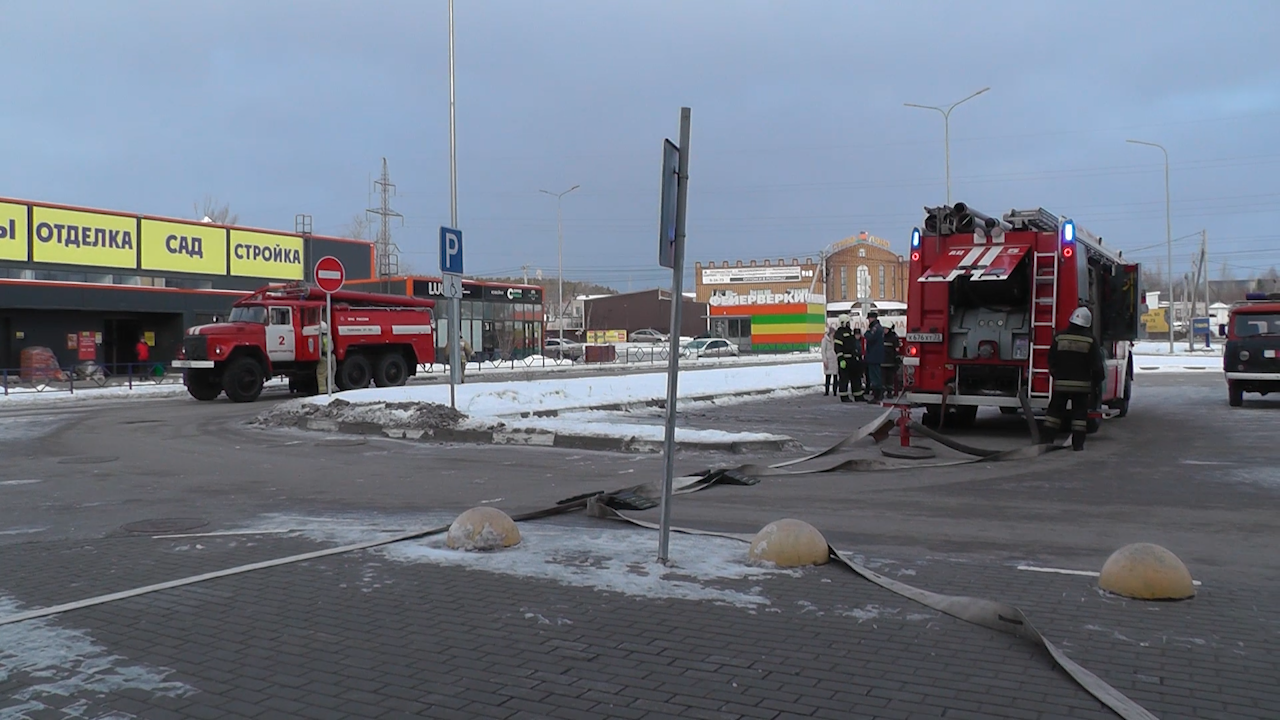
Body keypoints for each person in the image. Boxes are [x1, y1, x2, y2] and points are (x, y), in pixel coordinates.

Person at [1044, 307, 1106, 451]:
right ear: (1087, 323)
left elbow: (1051, 359)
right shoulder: (1090, 340)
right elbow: (1096, 365)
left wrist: (1056, 374)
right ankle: (1078, 445)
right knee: (1079, 417)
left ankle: (1046, 441)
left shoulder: (1059, 337)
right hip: (1081, 387)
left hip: (1061, 384)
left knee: (1053, 414)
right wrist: (1096, 383)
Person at [832, 314, 863, 403]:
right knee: (844, 379)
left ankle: (858, 395)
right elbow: (838, 347)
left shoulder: (850, 332)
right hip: (845, 359)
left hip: (853, 359)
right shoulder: (839, 333)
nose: (849, 324)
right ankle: (844, 396)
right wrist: (841, 359)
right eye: (848, 322)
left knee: (856, 378)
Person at [863, 312, 886, 402]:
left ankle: (877, 395)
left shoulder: (875, 328)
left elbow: (869, 337)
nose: (868, 320)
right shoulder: (878, 327)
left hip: (874, 355)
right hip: (876, 355)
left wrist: (866, 332)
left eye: (869, 318)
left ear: (873, 318)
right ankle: (878, 394)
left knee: (875, 376)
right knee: (876, 374)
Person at [820, 322, 838, 397]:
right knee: (828, 376)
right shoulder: (825, 340)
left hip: (835, 360)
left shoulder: (835, 340)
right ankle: (826, 391)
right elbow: (823, 351)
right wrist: (825, 361)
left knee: (835, 377)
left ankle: (835, 391)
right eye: (833, 333)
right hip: (828, 359)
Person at [881, 327, 901, 397]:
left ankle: (889, 392)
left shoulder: (893, 338)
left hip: (890, 362)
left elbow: (897, 350)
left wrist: (897, 359)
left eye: (886, 329)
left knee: (890, 378)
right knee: (882, 378)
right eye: (884, 329)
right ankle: (882, 392)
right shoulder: (881, 337)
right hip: (882, 361)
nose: (885, 330)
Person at [316, 321, 330, 394]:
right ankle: (330, 388)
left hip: (323, 357)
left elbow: (320, 348)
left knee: (321, 375)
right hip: (329, 356)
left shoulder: (320, 338)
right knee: (329, 374)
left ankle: (322, 391)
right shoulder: (328, 337)